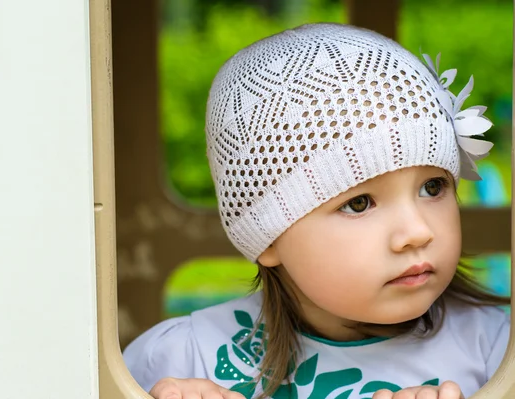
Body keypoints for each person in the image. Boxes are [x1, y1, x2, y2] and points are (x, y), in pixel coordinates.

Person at [123, 23, 511, 399]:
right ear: (267, 235)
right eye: (358, 203)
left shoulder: (497, 349)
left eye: (433, 187)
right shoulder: (187, 358)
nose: (417, 232)